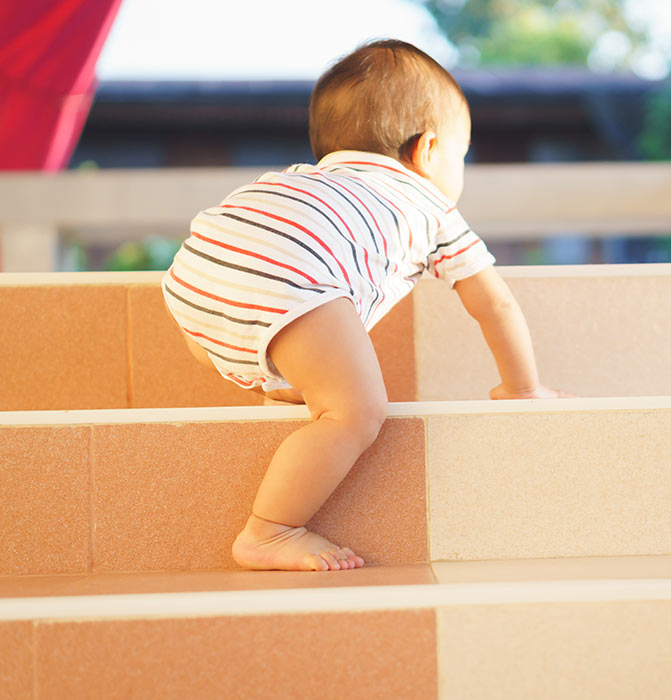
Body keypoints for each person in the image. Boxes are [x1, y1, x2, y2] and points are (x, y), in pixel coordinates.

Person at [161, 39, 568, 572]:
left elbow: (260, 267)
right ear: (427, 150)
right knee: (357, 413)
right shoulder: (431, 207)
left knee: (293, 320)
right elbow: (496, 305)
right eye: (461, 156)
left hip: (198, 278)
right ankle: (269, 531)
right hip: (289, 280)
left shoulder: (308, 181)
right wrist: (522, 388)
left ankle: (281, 380)